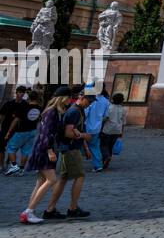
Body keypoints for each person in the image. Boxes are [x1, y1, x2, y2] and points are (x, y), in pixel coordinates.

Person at [18, 90, 70, 224]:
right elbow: (45, 133)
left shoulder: (53, 111)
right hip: (44, 149)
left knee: (40, 181)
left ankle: (28, 212)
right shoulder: (52, 112)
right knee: (51, 179)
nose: (70, 100)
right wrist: (49, 150)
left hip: (43, 148)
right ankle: (28, 212)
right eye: (69, 98)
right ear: (63, 98)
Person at [42, 87, 94, 220]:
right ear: (81, 98)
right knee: (80, 176)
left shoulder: (79, 110)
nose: (90, 103)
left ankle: (50, 209)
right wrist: (84, 136)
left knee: (64, 179)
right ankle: (72, 208)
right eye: (89, 101)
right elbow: (68, 132)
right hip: (69, 148)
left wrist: (86, 148)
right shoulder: (74, 112)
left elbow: (76, 129)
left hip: (71, 148)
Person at [3, 87, 39, 174]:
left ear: (28, 97)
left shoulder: (23, 107)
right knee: (26, 151)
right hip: (32, 131)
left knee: (11, 148)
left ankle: (14, 166)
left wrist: (8, 132)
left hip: (21, 131)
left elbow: (16, 120)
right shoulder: (40, 108)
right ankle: (21, 170)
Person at [82, 83, 110, 172]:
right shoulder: (106, 101)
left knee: (81, 145)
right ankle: (98, 165)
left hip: (87, 125)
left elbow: (85, 113)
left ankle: (77, 163)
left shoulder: (91, 99)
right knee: (95, 146)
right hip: (97, 127)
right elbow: (106, 116)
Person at [99, 92, 126, 171]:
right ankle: (108, 159)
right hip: (117, 131)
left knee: (104, 145)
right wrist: (122, 132)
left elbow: (105, 118)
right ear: (122, 101)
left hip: (107, 129)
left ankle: (106, 157)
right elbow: (123, 122)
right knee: (110, 146)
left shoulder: (109, 108)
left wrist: (101, 126)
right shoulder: (123, 109)